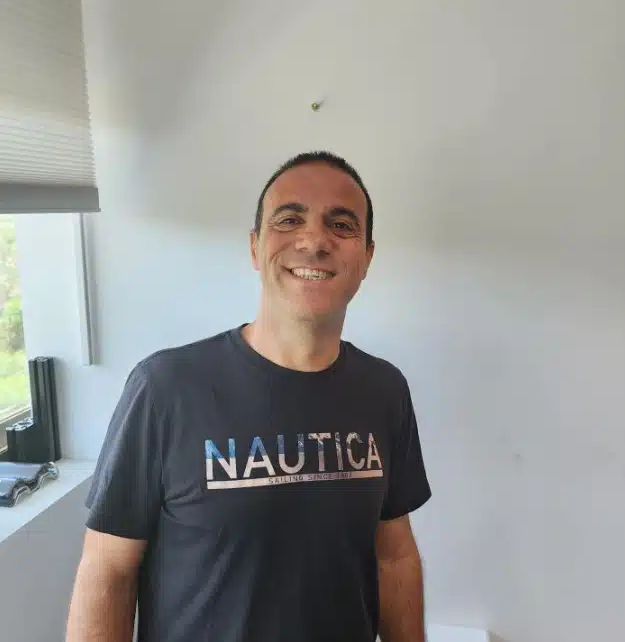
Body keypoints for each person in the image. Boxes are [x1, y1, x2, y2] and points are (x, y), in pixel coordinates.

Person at [66, 151, 432, 642]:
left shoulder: (384, 389)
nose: (314, 241)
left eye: (342, 225)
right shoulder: (166, 388)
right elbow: (108, 570)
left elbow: (394, 555)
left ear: (366, 258)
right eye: (290, 219)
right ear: (255, 247)